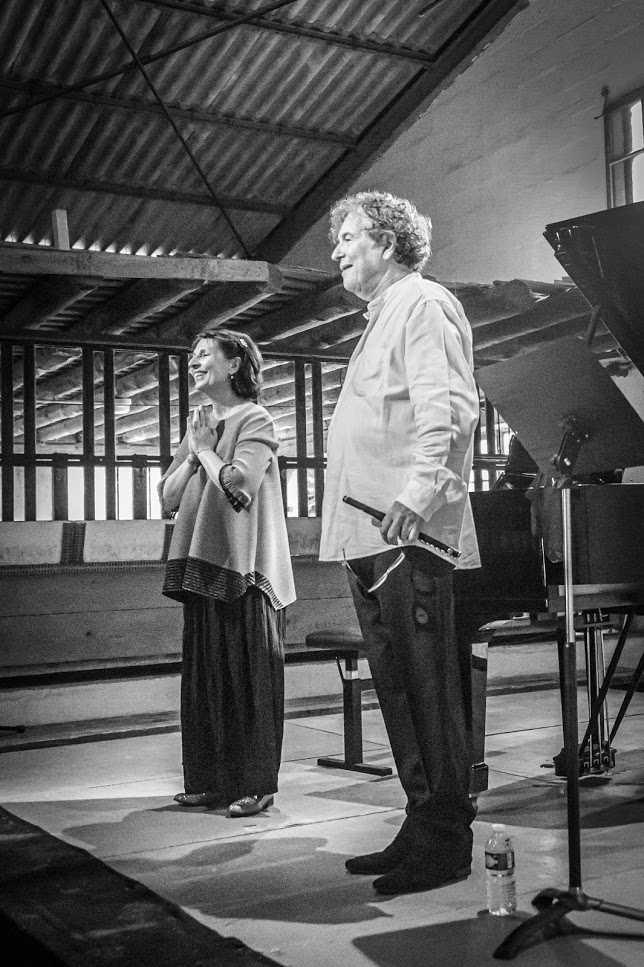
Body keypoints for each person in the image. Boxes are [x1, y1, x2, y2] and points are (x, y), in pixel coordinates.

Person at [319, 191, 481, 895]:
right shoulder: (382, 314)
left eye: (348, 236)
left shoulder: (423, 302)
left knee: (428, 691)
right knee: (398, 692)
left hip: (406, 531)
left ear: (387, 242)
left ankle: (446, 843)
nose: (336, 250)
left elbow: (449, 407)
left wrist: (419, 494)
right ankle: (422, 822)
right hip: (369, 532)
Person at [159, 328, 295, 818]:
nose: (194, 363)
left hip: (248, 571)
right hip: (203, 568)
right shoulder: (199, 424)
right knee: (206, 681)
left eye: (203, 355)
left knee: (249, 683)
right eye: (191, 356)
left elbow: (239, 484)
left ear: (234, 363)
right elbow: (168, 495)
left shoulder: (255, 418)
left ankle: (257, 785)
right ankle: (209, 781)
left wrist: (205, 451)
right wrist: (197, 450)